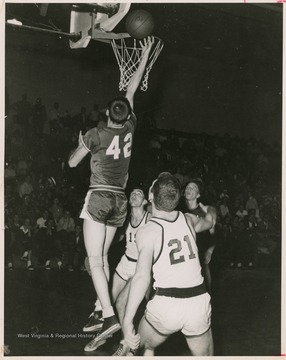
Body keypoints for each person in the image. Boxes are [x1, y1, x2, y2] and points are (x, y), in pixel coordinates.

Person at [68, 37, 155, 341]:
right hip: (119, 201)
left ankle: (108, 317)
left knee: (93, 260)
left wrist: (80, 144)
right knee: (102, 257)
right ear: (125, 114)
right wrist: (143, 57)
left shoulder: (95, 133)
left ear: (107, 113)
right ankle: (97, 307)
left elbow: (71, 163)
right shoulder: (131, 126)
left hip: (99, 196)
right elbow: (131, 89)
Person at [118, 172, 216, 356]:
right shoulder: (188, 219)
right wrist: (211, 210)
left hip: (167, 305)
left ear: (151, 196)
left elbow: (141, 277)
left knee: (139, 346)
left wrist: (127, 320)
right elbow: (210, 221)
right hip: (197, 303)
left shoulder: (148, 231)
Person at [83, 187, 151, 351]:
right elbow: (116, 239)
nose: (134, 195)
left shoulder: (150, 219)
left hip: (139, 267)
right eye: (132, 193)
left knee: (123, 305)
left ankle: (128, 344)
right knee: (104, 303)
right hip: (125, 263)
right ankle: (101, 336)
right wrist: (96, 254)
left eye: (139, 193)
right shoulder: (125, 218)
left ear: (145, 201)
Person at [183, 180, 216, 293]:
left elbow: (213, 233)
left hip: (200, 255)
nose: (189, 189)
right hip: (184, 256)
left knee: (205, 290)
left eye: (192, 188)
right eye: (187, 187)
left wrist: (210, 251)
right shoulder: (180, 210)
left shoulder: (204, 210)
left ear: (198, 195)